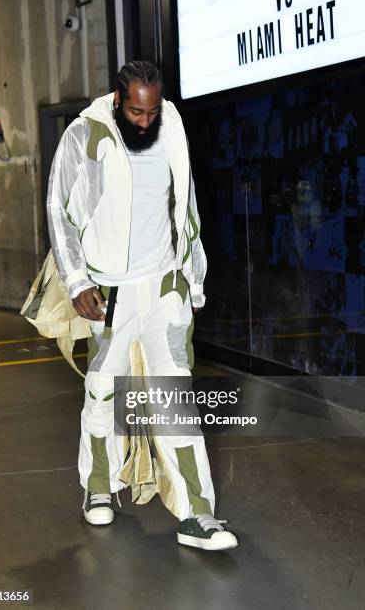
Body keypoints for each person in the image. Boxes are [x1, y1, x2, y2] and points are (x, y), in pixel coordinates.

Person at [46, 60, 238, 551]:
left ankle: (197, 515)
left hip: (163, 285)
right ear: (117, 99)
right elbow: (59, 211)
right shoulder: (84, 134)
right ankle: (98, 490)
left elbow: (187, 204)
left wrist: (191, 281)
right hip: (108, 291)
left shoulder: (171, 123)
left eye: (151, 111)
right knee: (104, 394)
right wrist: (75, 280)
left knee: (175, 399)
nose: (145, 121)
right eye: (136, 112)